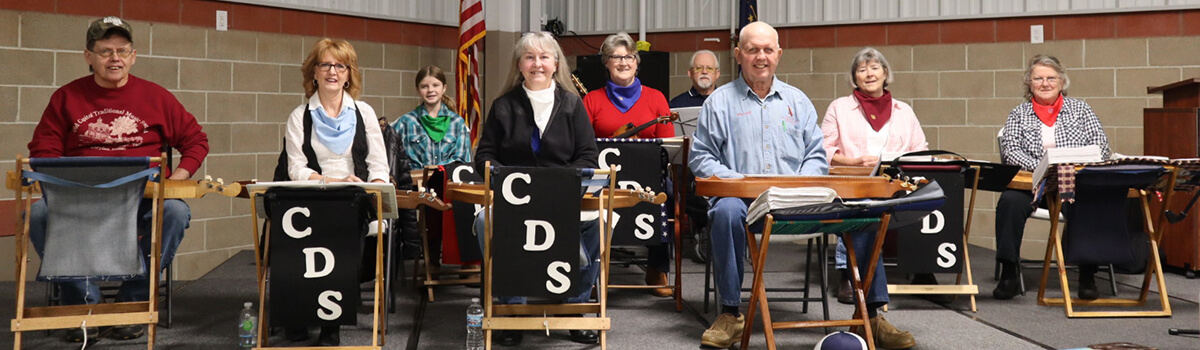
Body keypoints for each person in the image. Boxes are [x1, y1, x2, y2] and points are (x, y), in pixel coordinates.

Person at [26, 16, 209, 343]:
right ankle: (85, 303)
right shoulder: (66, 98)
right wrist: (59, 183)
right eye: (106, 51)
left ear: (133, 56)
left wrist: (177, 181)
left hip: (142, 198)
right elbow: (44, 147)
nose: (115, 58)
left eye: (122, 51)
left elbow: (196, 141)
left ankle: (131, 302)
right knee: (37, 214)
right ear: (89, 57)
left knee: (176, 212)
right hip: (81, 199)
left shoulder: (156, 97)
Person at [689, 21, 830, 349]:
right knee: (724, 210)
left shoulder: (798, 102)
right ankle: (729, 312)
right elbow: (702, 158)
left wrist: (795, 187)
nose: (761, 57)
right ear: (738, 54)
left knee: (867, 213)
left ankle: (874, 313)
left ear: (779, 54)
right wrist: (739, 183)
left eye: (768, 50)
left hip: (792, 203)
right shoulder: (719, 102)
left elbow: (817, 157)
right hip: (741, 203)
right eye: (752, 50)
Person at [473, 31, 601, 347]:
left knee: (599, 222)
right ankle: (510, 311)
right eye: (530, 57)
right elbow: (485, 156)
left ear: (556, 63)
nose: (537, 64)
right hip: (513, 201)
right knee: (480, 222)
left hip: (562, 200)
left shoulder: (573, 105)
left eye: (544, 57)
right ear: (520, 64)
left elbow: (588, 156)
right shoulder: (503, 105)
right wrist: (510, 178)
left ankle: (575, 310)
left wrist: (558, 182)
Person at [281, 38, 390, 346]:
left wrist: (375, 185)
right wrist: (326, 179)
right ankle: (299, 314)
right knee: (299, 230)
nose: (333, 71)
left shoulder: (364, 113)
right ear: (313, 72)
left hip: (353, 200)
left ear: (349, 74)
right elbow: (296, 169)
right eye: (325, 64)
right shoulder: (298, 116)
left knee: (343, 224)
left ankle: (331, 324)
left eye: (340, 65)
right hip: (311, 197)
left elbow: (379, 165)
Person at [820, 47, 922, 349]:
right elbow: (822, 152)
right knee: (867, 218)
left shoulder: (904, 110)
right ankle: (874, 314)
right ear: (854, 77)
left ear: (886, 74)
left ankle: (867, 308)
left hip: (894, 188)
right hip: (852, 188)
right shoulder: (839, 107)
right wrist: (854, 164)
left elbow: (920, 150)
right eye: (862, 69)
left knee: (908, 207)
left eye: (875, 67)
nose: (869, 73)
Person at [994, 55, 1111, 301]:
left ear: (1061, 81)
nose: (1045, 83)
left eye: (1051, 78)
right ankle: (1009, 272)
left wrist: (1072, 165)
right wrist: (1044, 167)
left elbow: (1102, 148)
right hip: (1034, 182)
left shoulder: (1081, 109)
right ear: (1029, 83)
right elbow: (1011, 151)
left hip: (1073, 182)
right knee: (1009, 203)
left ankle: (1088, 274)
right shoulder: (1019, 113)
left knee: (1088, 204)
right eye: (1038, 78)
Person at [582, 32, 675, 297]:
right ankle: (590, 271)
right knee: (582, 195)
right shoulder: (591, 100)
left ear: (637, 62)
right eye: (616, 57)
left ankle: (657, 268)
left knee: (666, 191)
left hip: (648, 174)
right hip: (605, 175)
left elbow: (668, 145)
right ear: (606, 63)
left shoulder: (656, 98)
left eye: (629, 57)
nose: (623, 62)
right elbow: (585, 147)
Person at [390, 65, 471, 259]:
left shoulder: (457, 123)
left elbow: (463, 160)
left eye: (435, 85)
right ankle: (431, 257)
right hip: (418, 186)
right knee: (430, 200)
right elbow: (396, 160)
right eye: (425, 86)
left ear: (444, 88)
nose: (430, 90)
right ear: (418, 90)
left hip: (449, 184)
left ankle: (464, 258)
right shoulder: (405, 123)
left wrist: (440, 174)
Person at [668, 49, 722, 264]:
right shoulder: (675, 106)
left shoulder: (727, 101)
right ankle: (706, 224)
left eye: (709, 68)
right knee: (684, 184)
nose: (704, 72)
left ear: (717, 73)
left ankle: (714, 227)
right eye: (699, 68)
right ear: (690, 73)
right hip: (689, 167)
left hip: (722, 165)